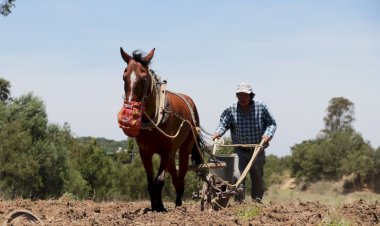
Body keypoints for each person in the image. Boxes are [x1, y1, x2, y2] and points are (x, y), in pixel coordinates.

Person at [212, 82, 277, 203]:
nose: (242, 98)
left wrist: (268, 135)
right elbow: (223, 124)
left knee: (257, 178)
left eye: (245, 95)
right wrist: (217, 133)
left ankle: (256, 202)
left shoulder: (260, 106)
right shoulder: (231, 109)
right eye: (239, 95)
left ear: (251, 96)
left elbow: (272, 123)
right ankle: (239, 203)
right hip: (239, 151)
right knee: (237, 176)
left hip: (257, 149)